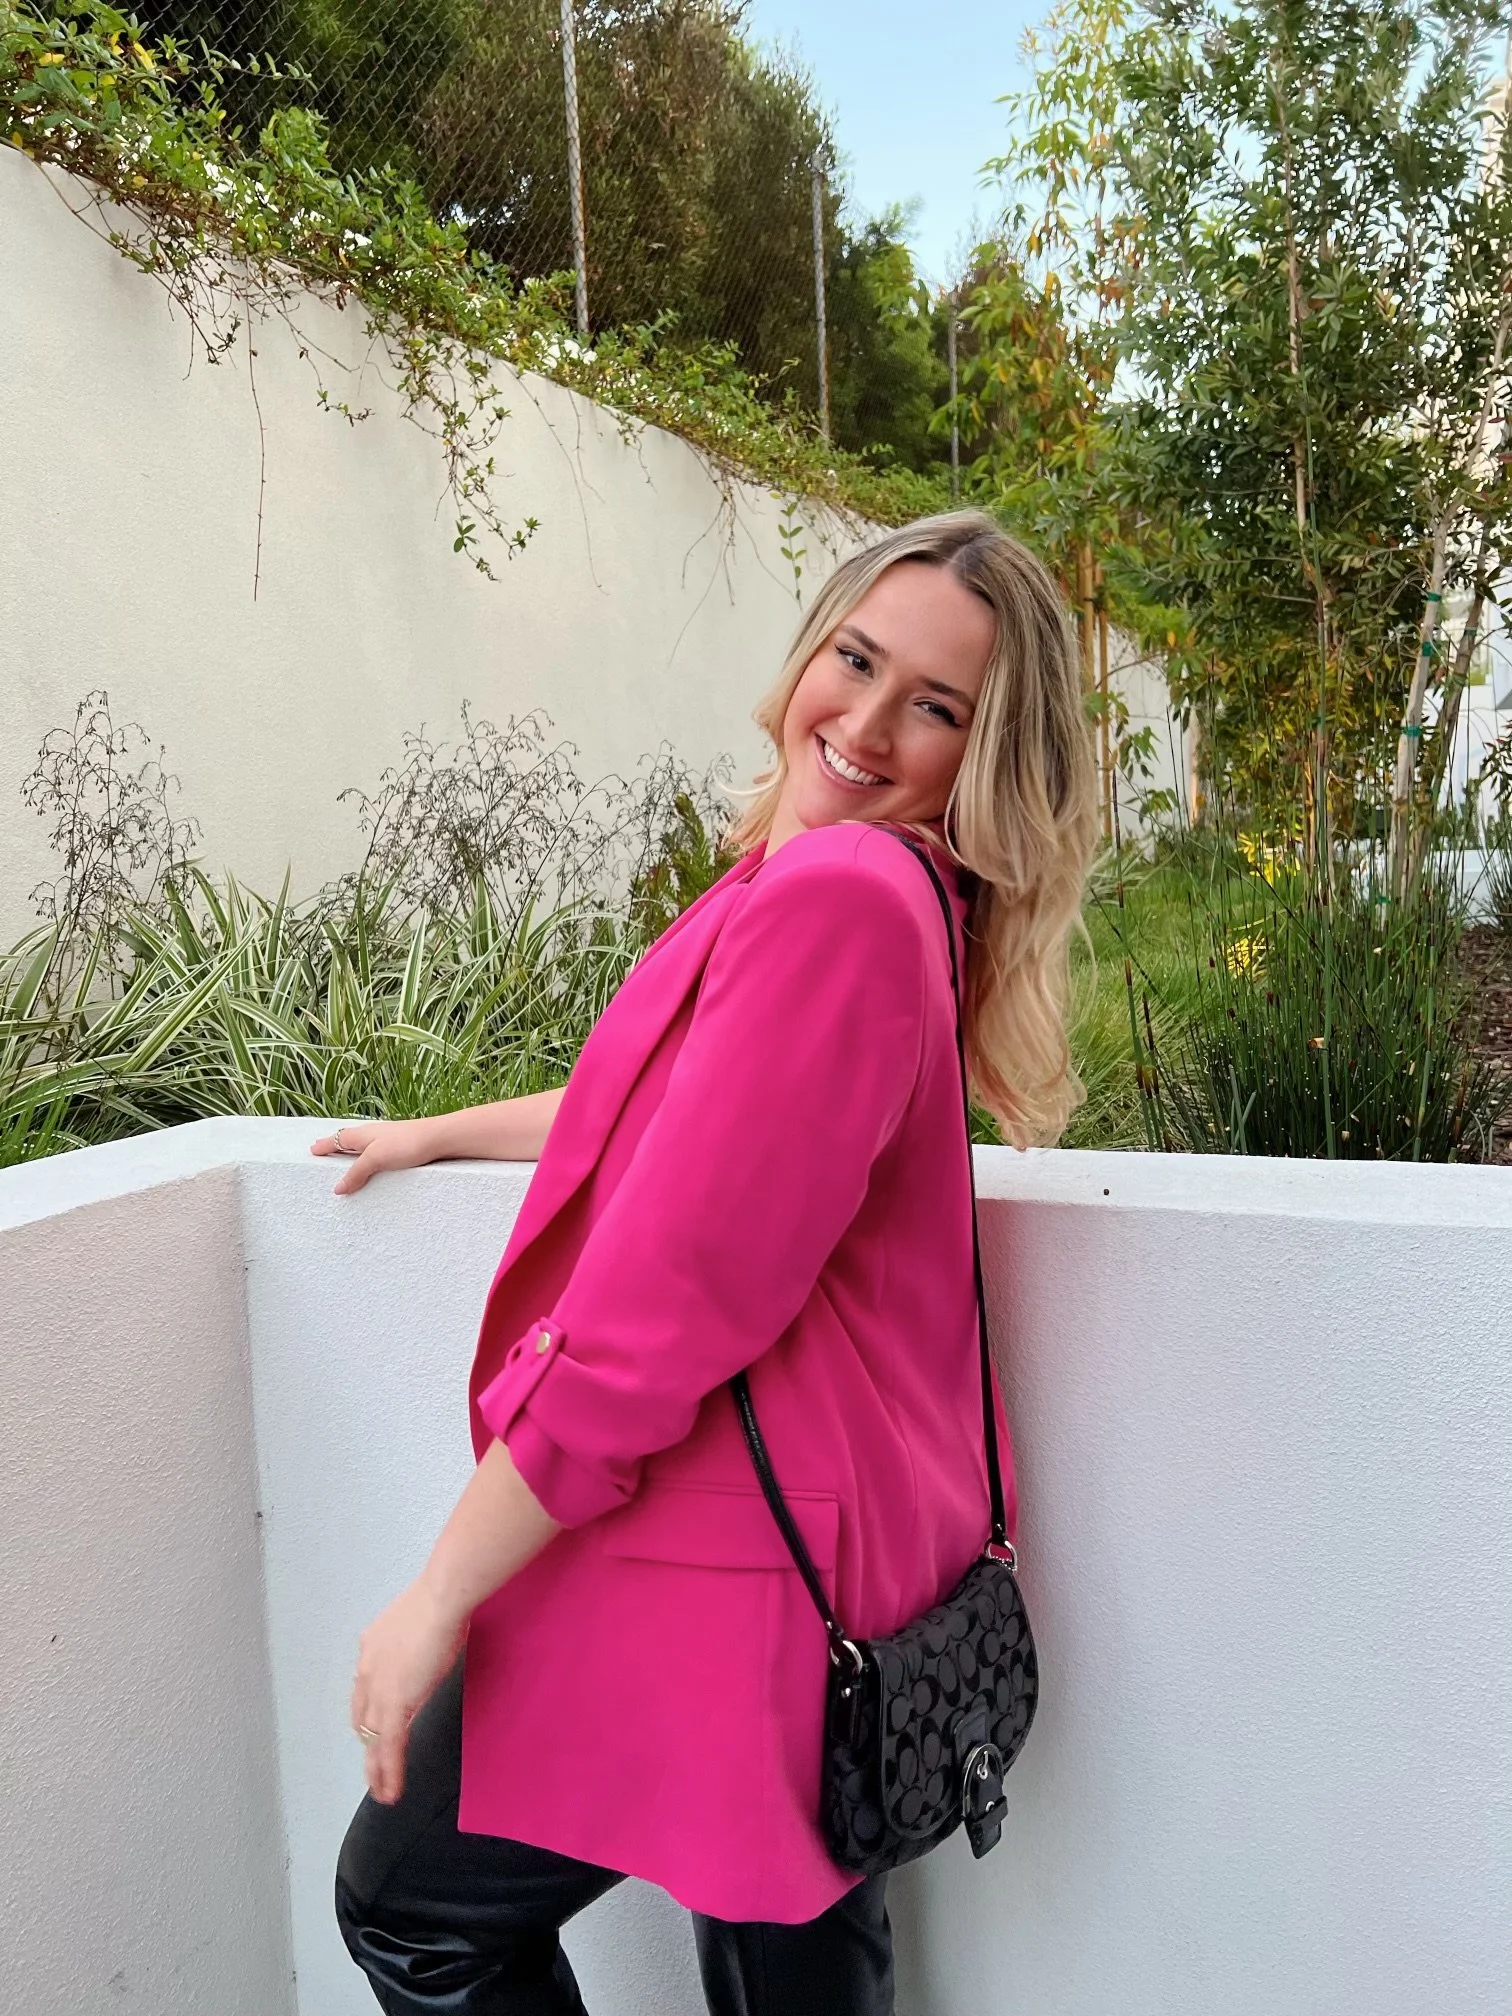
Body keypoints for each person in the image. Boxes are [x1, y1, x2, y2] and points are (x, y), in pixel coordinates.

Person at [312, 509, 1099, 2015]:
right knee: (785, 1949)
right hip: (805, 1558)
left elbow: (660, 1304)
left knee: (412, 1907)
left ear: (985, 753)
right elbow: (672, 1114)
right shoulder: (849, 888)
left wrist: (437, 1596)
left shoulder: (841, 898)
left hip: (742, 1565)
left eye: (936, 706)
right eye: (855, 661)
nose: (866, 723)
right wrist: (441, 1131)